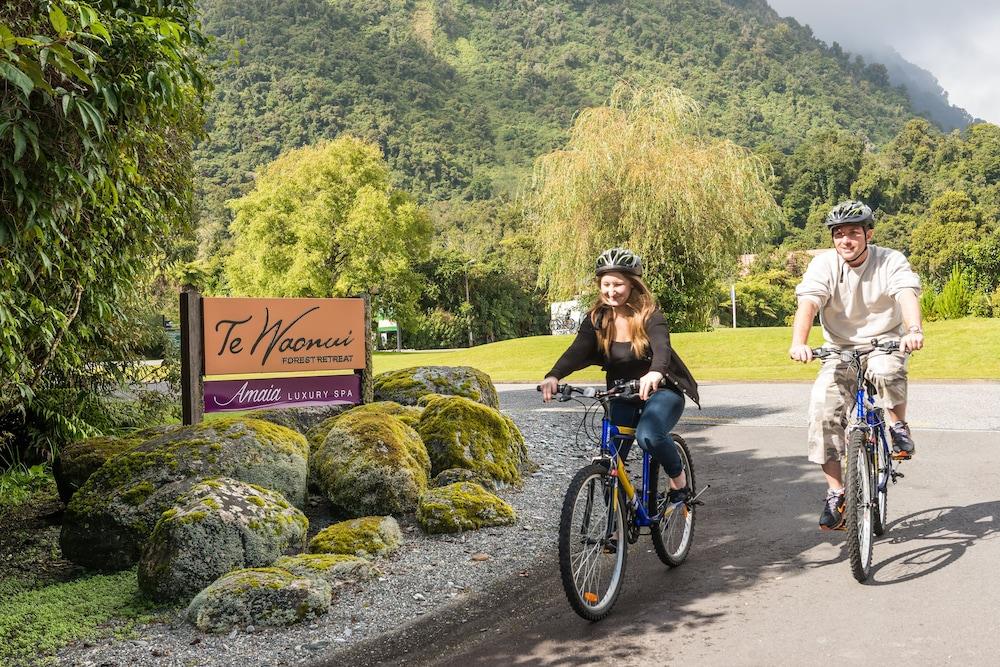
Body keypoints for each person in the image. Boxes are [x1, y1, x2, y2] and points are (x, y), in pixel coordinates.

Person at [788, 200, 924, 531]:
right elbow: (808, 303)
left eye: (852, 233)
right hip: (838, 348)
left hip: (884, 341)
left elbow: (906, 293)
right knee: (823, 410)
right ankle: (836, 493)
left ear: (868, 234)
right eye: (838, 234)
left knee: (886, 371)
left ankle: (898, 426)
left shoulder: (889, 260)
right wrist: (799, 343)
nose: (845, 240)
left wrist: (914, 330)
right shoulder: (824, 265)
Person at [540, 247, 700, 501]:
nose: (611, 291)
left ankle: (679, 482)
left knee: (648, 435)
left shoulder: (650, 316)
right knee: (610, 463)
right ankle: (616, 531)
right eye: (606, 284)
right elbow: (577, 351)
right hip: (621, 393)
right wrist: (554, 375)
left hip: (661, 391)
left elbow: (662, 348)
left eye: (618, 284)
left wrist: (655, 373)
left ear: (632, 285)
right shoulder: (597, 319)